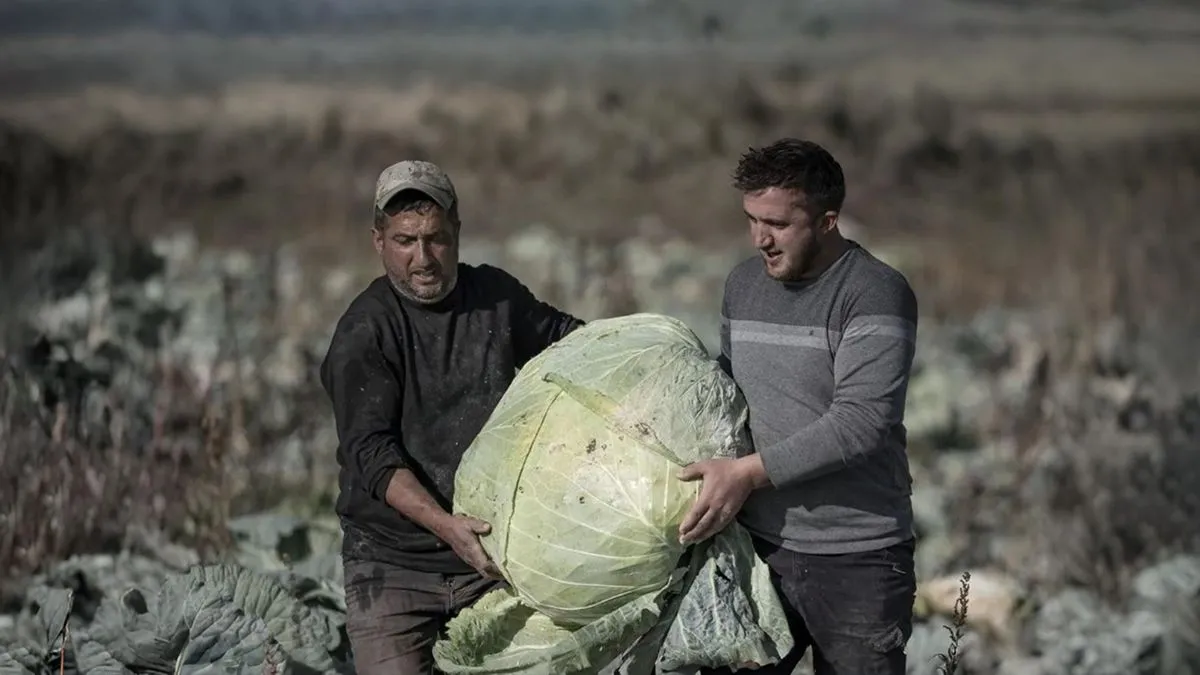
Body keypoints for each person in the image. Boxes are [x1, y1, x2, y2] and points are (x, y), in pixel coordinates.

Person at [318, 160, 584, 675]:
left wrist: (640, 349)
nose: (423, 259)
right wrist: (446, 526)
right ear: (378, 241)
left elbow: (569, 343)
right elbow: (371, 455)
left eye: (436, 239)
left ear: (458, 232)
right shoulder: (364, 332)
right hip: (394, 564)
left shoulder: (497, 299)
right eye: (405, 241)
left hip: (497, 556)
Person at [676, 138, 919, 675]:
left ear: (829, 221)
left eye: (779, 224)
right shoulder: (743, 285)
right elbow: (729, 392)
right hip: (755, 552)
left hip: (858, 558)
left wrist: (746, 474)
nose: (760, 238)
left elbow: (862, 423)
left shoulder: (875, 292)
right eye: (751, 220)